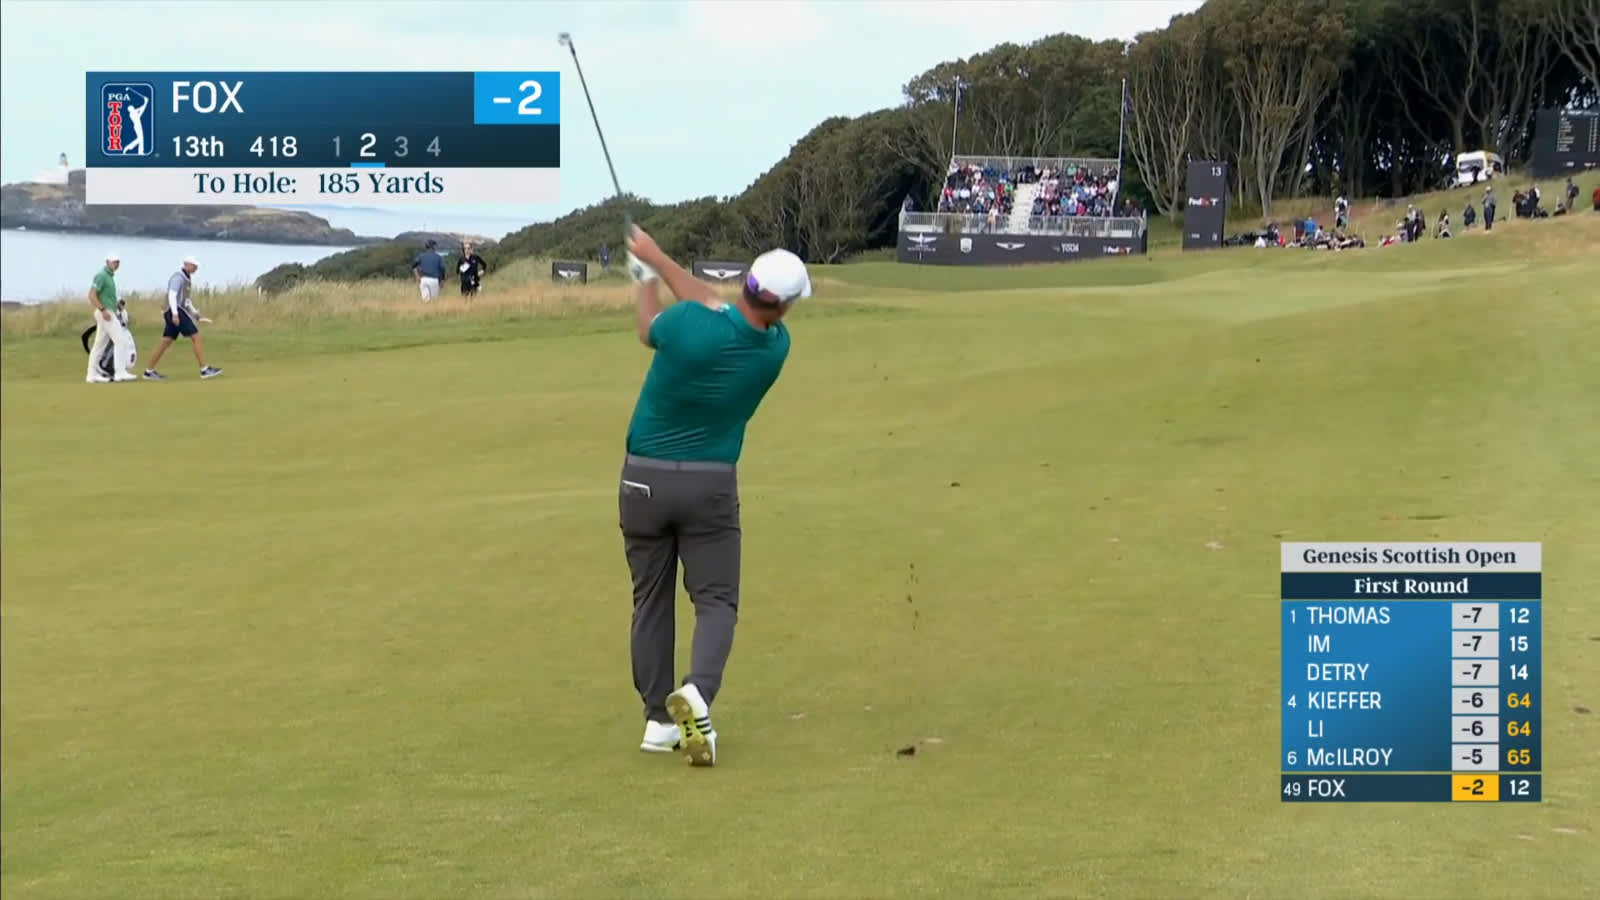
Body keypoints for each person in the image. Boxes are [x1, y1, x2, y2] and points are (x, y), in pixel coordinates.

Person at [617, 224, 808, 767]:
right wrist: (658, 259)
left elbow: (650, 325)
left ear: (745, 283)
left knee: (650, 601)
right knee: (716, 600)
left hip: (641, 480)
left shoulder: (688, 326)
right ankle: (697, 692)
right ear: (784, 308)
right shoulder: (775, 347)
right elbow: (713, 305)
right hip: (709, 485)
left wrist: (645, 275)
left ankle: (657, 721)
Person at [143, 256, 222, 380]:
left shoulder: (187, 279)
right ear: (186, 265)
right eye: (194, 266)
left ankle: (148, 371)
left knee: (166, 341)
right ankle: (204, 369)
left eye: (196, 267)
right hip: (174, 311)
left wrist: (195, 313)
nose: (196, 268)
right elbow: (172, 295)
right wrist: (175, 314)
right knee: (195, 336)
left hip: (174, 311)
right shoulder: (178, 277)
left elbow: (186, 300)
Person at [85, 252, 138, 383]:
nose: (116, 264)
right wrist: (103, 310)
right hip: (105, 314)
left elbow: (107, 297)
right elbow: (92, 295)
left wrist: (117, 305)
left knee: (99, 345)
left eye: (118, 262)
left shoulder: (110, 277)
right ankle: (120, 372)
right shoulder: (101, 276)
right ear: (107, 262)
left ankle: (91, 375)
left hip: (109, 311)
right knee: (120, 340)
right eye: (114, 262)